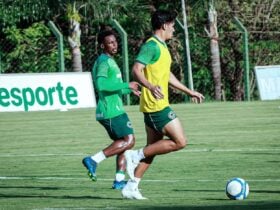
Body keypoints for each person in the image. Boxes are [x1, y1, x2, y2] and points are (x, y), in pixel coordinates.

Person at [121, 10, 205, 199]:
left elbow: (166, 75)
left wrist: (188, 91)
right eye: (173, 25)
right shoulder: (151, 46)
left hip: (157, 105)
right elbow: (136, 70)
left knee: (153, 149)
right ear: (165, 25)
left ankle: (131, 187)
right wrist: (149, 86)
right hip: (155, 106)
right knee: (180, 141)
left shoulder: (162, 47)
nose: (174, 29)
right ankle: (133, 155)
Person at [82, 29, 141, 190]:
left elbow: (114, 88)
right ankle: (93, 160)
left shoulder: (109, 61)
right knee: (129, 141)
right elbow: (101, 86)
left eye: (115, 42)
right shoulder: (103, 62)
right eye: (110, 43)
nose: (114, 45)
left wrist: (129, 90)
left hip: (113, 110)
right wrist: (126, 84)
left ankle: (119, 180)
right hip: (111, 111)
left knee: (123, 143)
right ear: (103, 45)